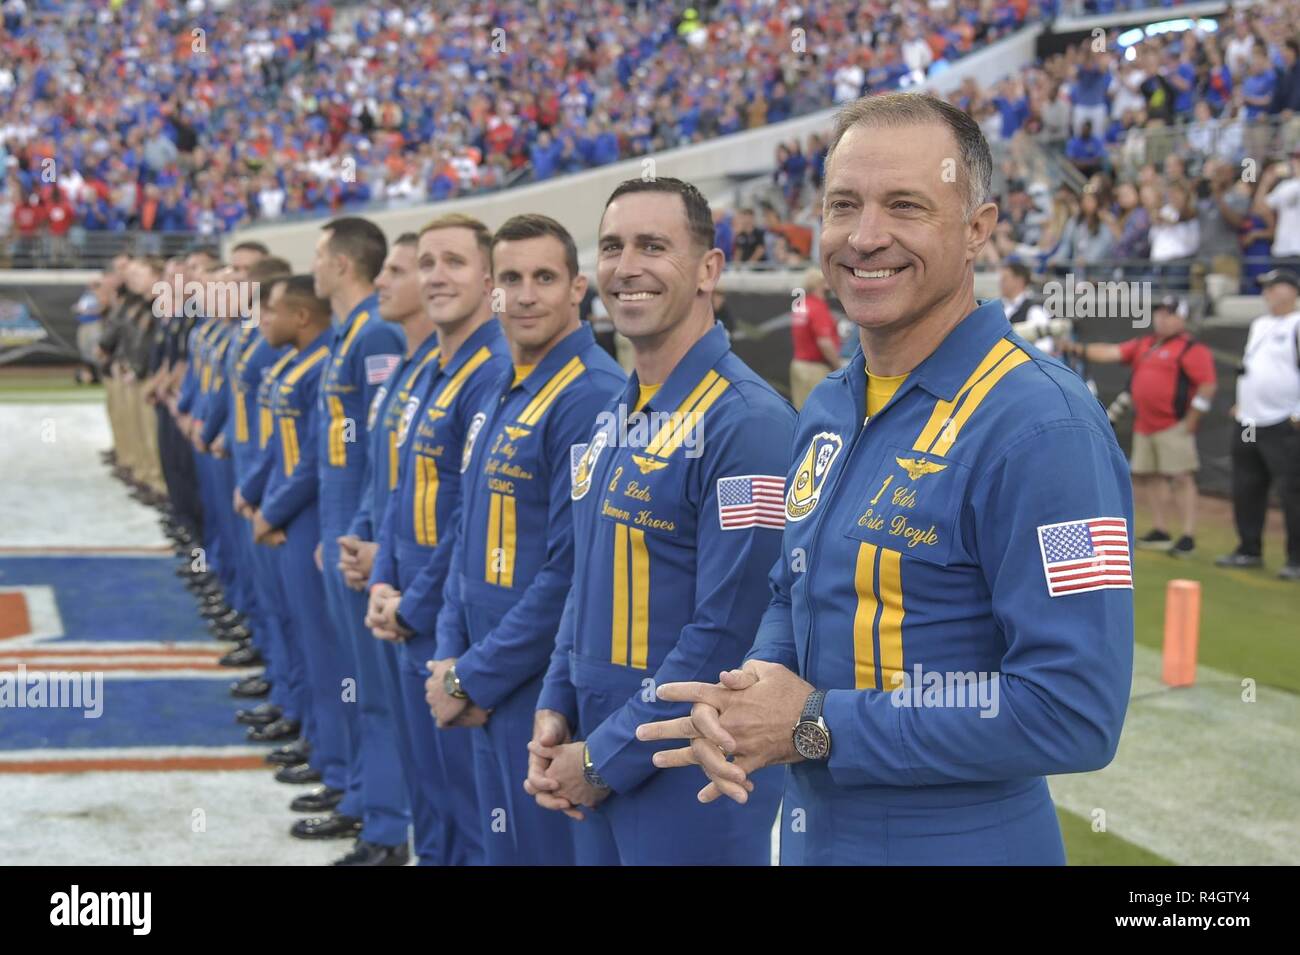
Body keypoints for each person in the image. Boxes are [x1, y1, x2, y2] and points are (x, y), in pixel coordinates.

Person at [637, 93, 1133, 866]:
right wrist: (760, 678)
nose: (866, 237)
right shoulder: (834, 401)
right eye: (844, 206)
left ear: (978, 229)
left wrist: (817, 723)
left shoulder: (1046, 426)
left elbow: (1075, 710)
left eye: (905, 205)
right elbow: (789, 584)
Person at [525, 177, 795, 865]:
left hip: (684, 769)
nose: (627, 266)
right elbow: (586, 578)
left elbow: (729, 630)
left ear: (709, 269)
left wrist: (606, 754)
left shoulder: (749, 422)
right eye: (613, 246)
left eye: (653, 245)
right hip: (593, 745)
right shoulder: (619, 410)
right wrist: (556, 703)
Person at [427, 214, 624, 864]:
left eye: (546, 277)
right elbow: (466, 535)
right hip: (481, 674)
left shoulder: (591, 395)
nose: (528, 293)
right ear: (493, 291)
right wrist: (451, 656)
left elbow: (571, 572)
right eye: (512, 278)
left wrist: (474, 676)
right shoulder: (503, 388)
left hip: (536, 689)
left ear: (578, 288)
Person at [364, 214, 511, 865]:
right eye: (426, 262)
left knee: (473, 811)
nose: (435, 276)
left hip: (445, 623)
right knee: (434, 798)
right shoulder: (433, 367)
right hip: (407, 610)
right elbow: (404, 493)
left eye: (453, 261)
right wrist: (380, 584)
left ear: (487, 277)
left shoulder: (492, 369)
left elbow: (468, 519)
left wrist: (413, 605)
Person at [306, 217, 408, 859]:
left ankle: (388, 823)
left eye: (319, 254)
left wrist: (362, 530)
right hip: (343, 524)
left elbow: (379, 448)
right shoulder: (348, 333)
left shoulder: (376, 334)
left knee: (376, 689)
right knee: (353, 677)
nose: (312, 266)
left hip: (361, 533)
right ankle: (364, 798)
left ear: (343, 263)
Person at [1065, 296, 1216, 556]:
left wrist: (1193, 417)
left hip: (1173, 424)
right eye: (1159, 313)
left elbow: (1208, 385)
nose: (1162, 318)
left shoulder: (1191, 349)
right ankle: (1161, 529)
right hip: (1145, 424)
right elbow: (1112, 352)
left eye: (1169, 313)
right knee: (1150, 476)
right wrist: (1078, 349)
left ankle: (1188, 535)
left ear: (1181, 318)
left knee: (1181, 477)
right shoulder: (1146, 344)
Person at [1217, 269, 1300, 580]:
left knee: (1291, 491)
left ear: (1291, 291)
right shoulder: (1260, 324)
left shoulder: (1297, 324)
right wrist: (1242, 404)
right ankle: (1248, 549)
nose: (1267, 292)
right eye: (1264, 287)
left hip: (1282, 422)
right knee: (1246, 484)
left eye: (1273, 287)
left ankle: (1296, 558)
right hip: (1249, 422)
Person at [789, 267, 841, 409]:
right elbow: (824, 342)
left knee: (800, 411)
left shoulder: (801, 305)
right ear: (820, 284)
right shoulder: (818, 308)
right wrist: (837, 366)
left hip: (798, 364)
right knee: (819, 412)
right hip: (814, 369)